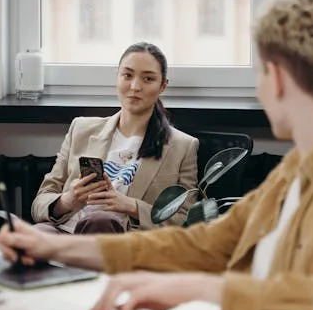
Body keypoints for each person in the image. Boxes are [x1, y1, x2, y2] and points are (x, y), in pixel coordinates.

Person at [0, 0, 313, 310]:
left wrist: (199, 288)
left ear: (276, 77)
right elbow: (205, 244)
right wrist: (54, 247)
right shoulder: (301, 168)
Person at [31, 42, 199, 234]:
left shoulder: (182, 146)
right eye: (127, 75)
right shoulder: (81, 129)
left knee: (100, 221)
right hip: (64, 232)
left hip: (120, 241)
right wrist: (69, 200)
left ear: (163, 86)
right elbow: (40, 203)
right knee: (32, 235)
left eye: (148, 79)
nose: (135, 86)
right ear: (117, 77)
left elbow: (185, 220)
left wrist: (131, 206)